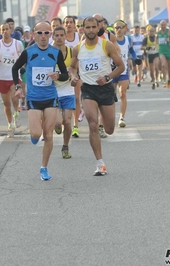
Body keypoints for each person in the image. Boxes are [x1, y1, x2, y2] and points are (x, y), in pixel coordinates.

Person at [12, 21, 68, 181]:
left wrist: (58, 76)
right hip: (34, 99)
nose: (43, 36)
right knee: (36, 134)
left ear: (50, 34)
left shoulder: (55, 52)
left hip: (51, 97)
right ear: (34, 34)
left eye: (46, 33)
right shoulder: (29, 52)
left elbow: (65, 74)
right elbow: (15, 68)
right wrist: (18, 86)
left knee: (48, 135)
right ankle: (35, 135)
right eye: (40, 33)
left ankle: (44, 168)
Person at [69, 17, 125, 176]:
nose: (91, 30)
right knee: (93, 124)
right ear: (83, 29)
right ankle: (100, 164)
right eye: (88, 27)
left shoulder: (106, 45)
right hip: (88, 90)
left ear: (98, 27)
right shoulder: (77, 48)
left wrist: (108, 78)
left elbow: (121, 66)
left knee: (110, 129)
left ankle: (106, 122)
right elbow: (72, 68)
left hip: (105, 88)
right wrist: (73, 77)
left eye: (94, 27)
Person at [0, 22, 24, 138]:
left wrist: (20, 62)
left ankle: (16, 114)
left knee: (15, 98)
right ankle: (10, 125)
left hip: (14, 77)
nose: (5, 31)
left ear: (11, 31)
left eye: (7, 29)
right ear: (0, 32)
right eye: (2, 29)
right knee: (6, 103)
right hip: (2, 77)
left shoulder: (18, 44)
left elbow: (23, 58)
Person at [52, 26, 75, 159]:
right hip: (53, 91)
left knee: (67, 121)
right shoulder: (49, 52)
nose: (59, 38)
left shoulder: (70, 52)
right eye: (57, 35)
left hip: (67, 90)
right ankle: (56, 125)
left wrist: (74, 77)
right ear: (53, 37)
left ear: (65, 36)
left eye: (62, 35)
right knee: (57, 122)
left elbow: (73, 69)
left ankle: (65, 147)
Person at [113, 20, 139, 128]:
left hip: (123, 70)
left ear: (125, 28)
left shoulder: (128, 39)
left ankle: (121, 118)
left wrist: (135, 58)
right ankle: (109, 118)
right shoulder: (111, 40)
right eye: (116, 28)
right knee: (110, 96)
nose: (118, 30)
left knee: (122, 93)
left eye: (120, 27)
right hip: (112, 71)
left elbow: (131, 51)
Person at [157, 20, 170, 88]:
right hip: (161, 51)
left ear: (166, 25)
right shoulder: (158, 33)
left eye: (164, 25)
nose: (163, 26)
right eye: (162, 25)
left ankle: (169, 79)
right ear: (160, 25)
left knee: (169, 68)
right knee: (163, 65)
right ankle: (164, 80)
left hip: (169, 51)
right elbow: (156, 42)